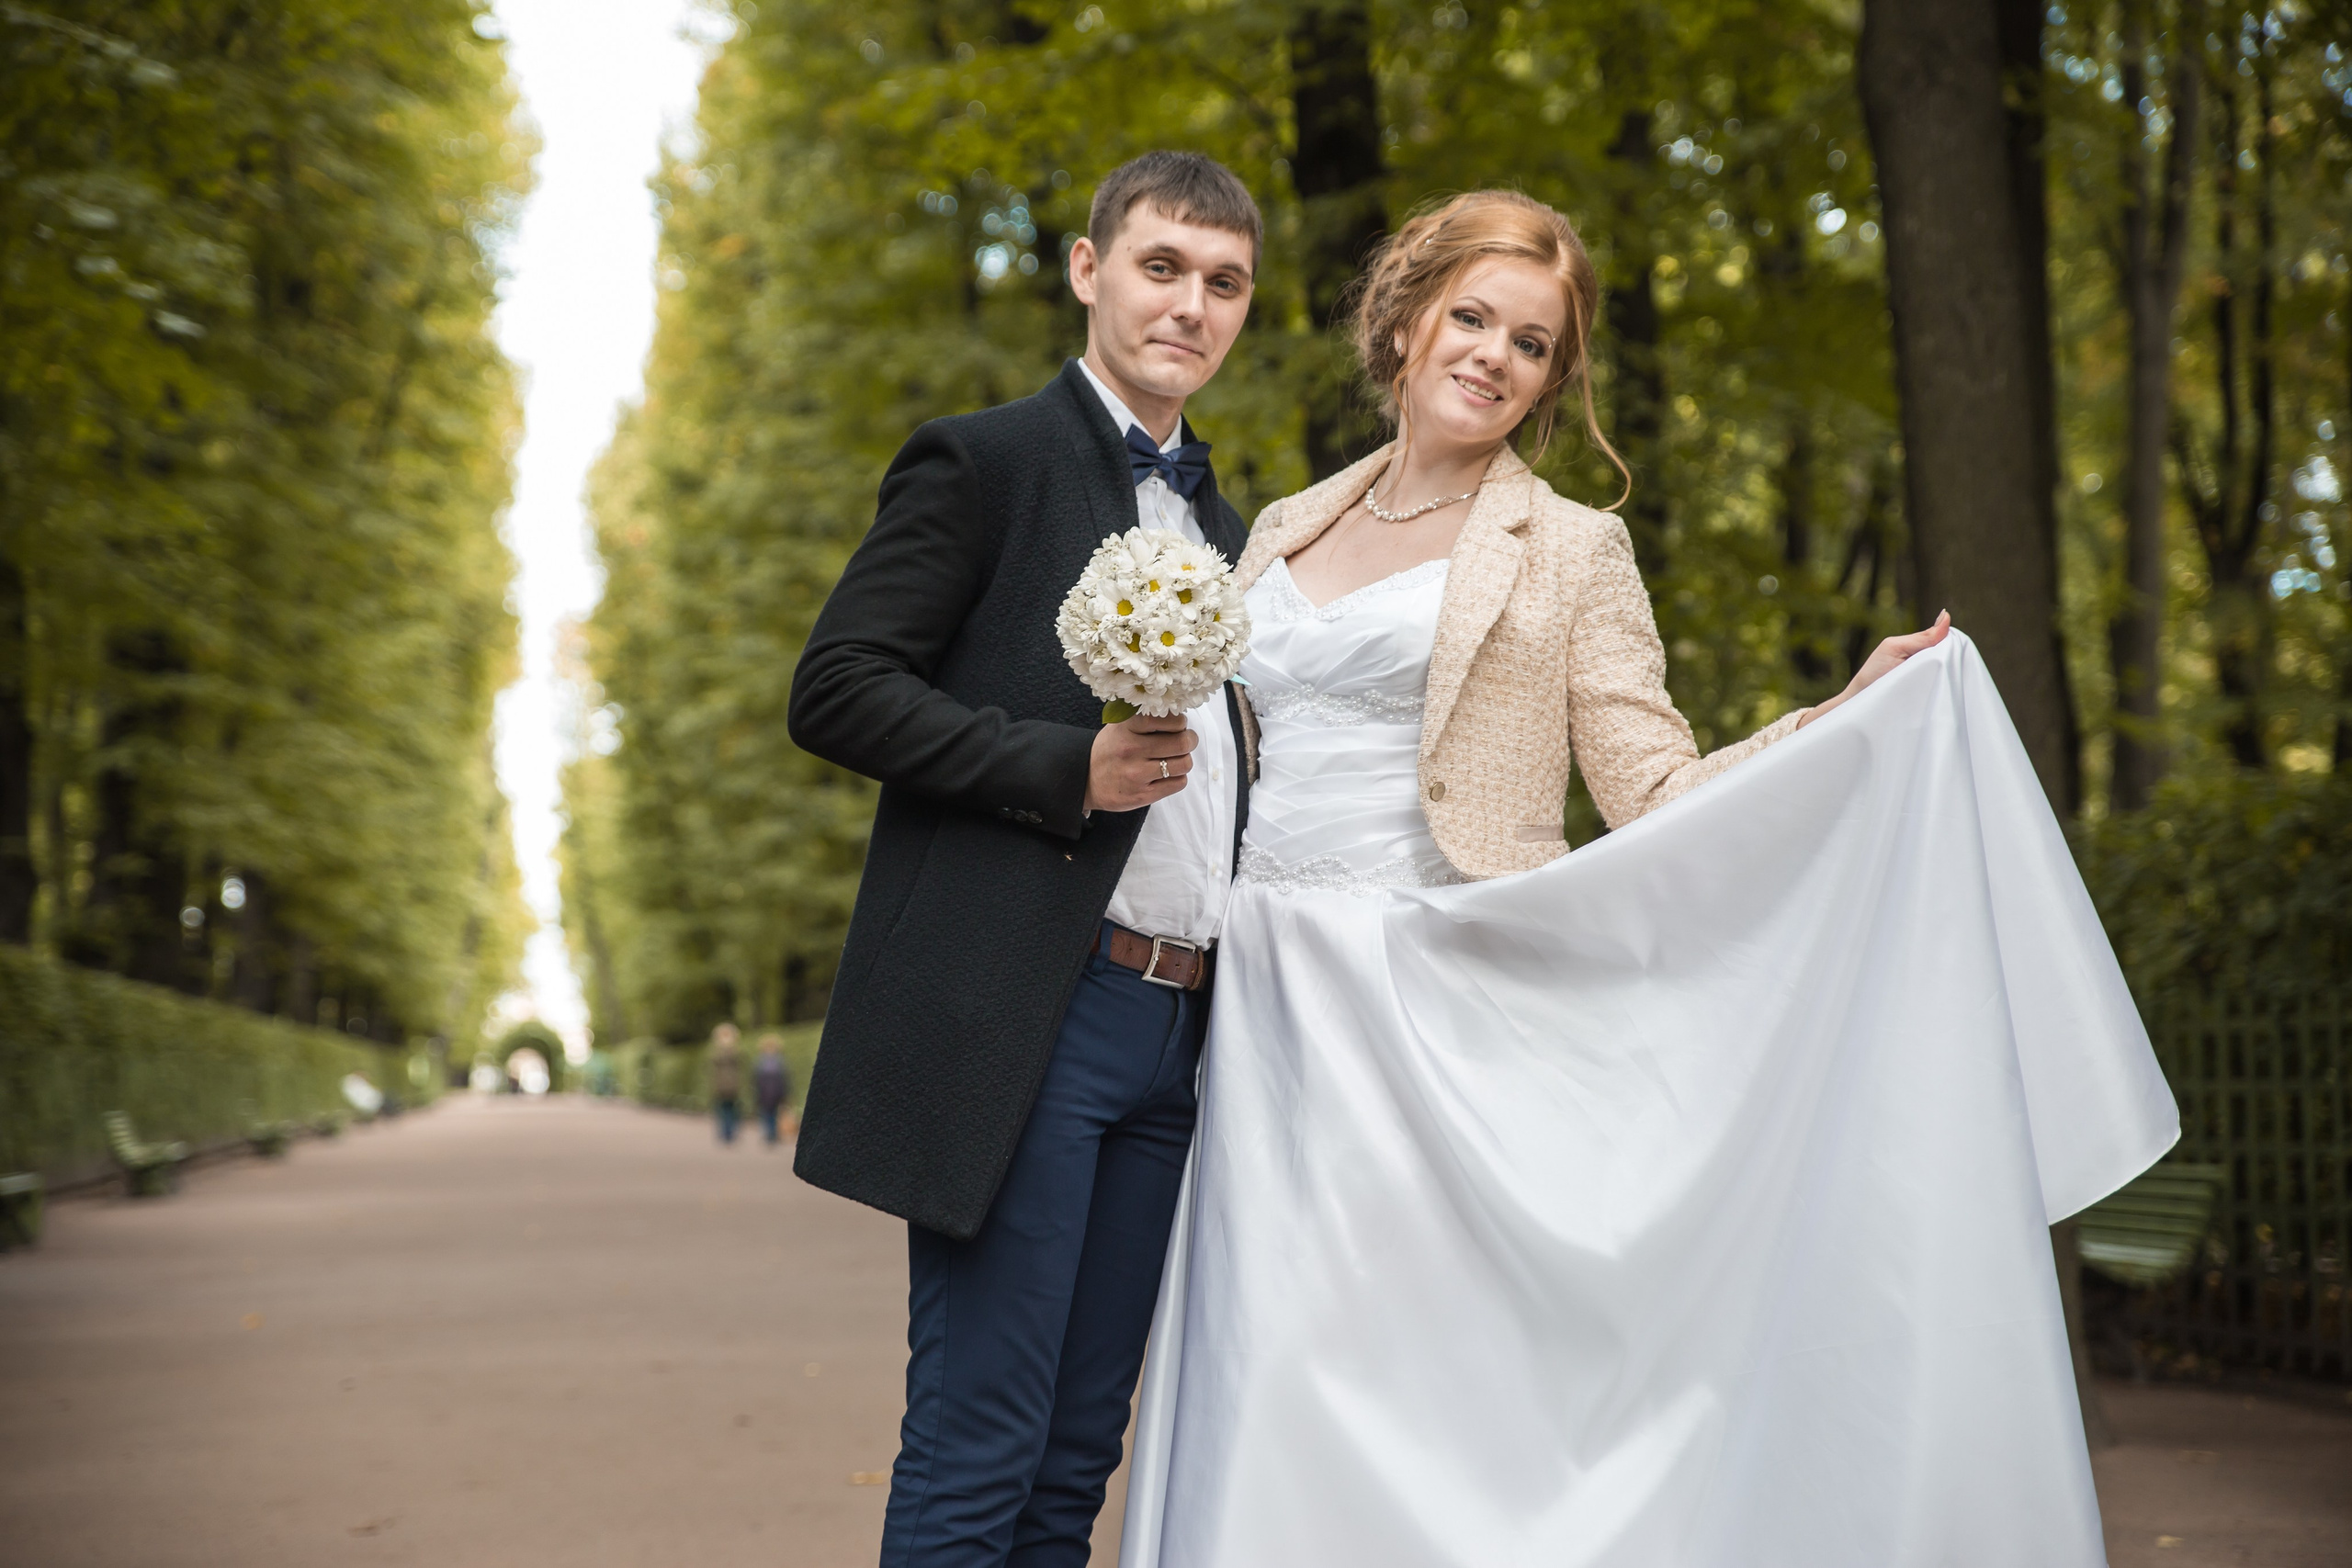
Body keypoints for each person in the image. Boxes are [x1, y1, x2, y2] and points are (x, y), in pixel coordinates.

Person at [1114, 191, 2176, 1567]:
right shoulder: (1275, 526)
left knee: (1403, 1386)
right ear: (1408, 313)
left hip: (1422, 1000)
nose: (1496, 355)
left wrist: (1837, 721)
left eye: (1536, 344)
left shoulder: (1569, 547)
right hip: (1249, 997)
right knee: (1260, 1351)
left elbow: (1657, 793)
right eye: (1477, 316)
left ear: (1557, 379)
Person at [786, 152, 1262, 1566]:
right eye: (1162, 265)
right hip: (1030, 1017)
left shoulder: (1233, 533)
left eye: (1224, 282)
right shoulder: (981, 459)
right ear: (1087, 267)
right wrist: (1062, 764)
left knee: (1076, 1458)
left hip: (1182, 1038)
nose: (1191, 303)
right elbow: (839, 685)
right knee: (981, 1438)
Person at [752, 1032, 793, 1147]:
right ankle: (770, 1134)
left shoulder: (768, 1062)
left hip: (774, 1093)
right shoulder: (766, 1061)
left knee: (772, 1114)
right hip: (766, 1093)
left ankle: (772, 1134)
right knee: (767, 1114)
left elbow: (785, 1080)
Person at [708, 1022, 742, 1145]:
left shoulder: (718, 1052)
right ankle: (729, 1132)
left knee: (725, 1110)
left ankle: (726, 1132)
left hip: (723, 1087)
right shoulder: (735, 1052)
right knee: (728, 1110)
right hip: (729, 1086)